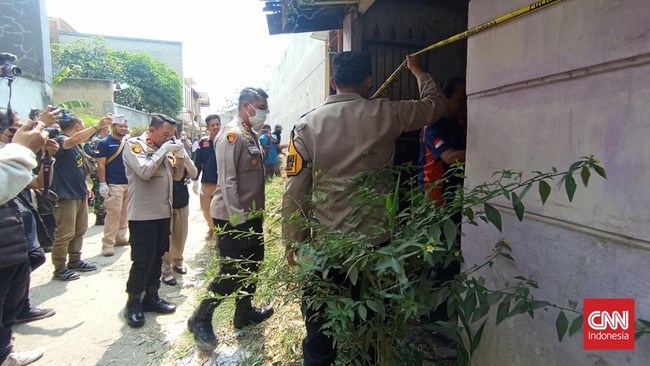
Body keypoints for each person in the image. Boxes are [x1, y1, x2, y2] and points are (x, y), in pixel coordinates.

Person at [281, 51, 447, 365]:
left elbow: (295, 192)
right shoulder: (387, 113)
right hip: (374, 245)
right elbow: (435, 105)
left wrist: (294, 242)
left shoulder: (306, 126)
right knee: (370, 323)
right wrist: (417, 71)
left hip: (325, 246)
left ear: (333, 82)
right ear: (368, 81)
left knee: (319, 327)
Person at [188, 88, 274, 349]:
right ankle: (200, 318)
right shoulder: (231, 135)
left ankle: (244, 311)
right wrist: (240, 221)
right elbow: (227, 182)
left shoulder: (251, 134)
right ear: (246, 105)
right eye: (260, 106)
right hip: (232, 217)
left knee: (253, 263)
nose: (263, 112)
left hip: (251, 214)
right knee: (232, 271)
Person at [122, 114, 186, 328]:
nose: (169, 138)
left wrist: (181, 155)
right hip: (142, 216)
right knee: (142, 261)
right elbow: (145, 171)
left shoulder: (163, 150)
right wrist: (163, 151)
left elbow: (176, 177)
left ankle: (152, 297)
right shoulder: (135, 145)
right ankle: (134, 302)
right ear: (151, 130)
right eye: (165, 134)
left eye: (172, 136)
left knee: (158, 257)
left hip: (162, 214)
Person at [0, 117, 48, 366]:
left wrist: (45, 159)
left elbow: (36, 183)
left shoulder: (8, 158)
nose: (17, 134)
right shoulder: (10, 156)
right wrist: (21, 150)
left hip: (13, 239)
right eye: (13, 130)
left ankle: (5, 353)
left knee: (10, 304)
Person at [51, 115, 110, 281]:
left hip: (79, 192)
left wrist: (86, 187)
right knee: (65, 232)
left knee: (80, 229)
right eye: (82, 126)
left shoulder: (76, 146)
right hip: (65, 194)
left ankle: (75, 260)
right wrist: (97, 126)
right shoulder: (61, 140)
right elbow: (69, 142)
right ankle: (60, 267)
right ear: (77, 126)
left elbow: (78, 167)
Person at [418, 77, 467, 204]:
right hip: (432, 199)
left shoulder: (456, 124)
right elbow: (450, 158)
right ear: (445, 99)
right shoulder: (432, 126)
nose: (464, 105)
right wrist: (489, 150)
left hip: (451, 196)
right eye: (460, 100)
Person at [161, 135, 198, 286]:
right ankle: (165, 269)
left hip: (182, 200)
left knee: (181, 235)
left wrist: (183, 156)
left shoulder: (182, 154)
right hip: (164, 203)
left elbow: (194, 173)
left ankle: (178, 261)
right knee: (165, 238)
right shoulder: (159, 154)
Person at [95, 119, 130, 256]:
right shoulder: (104, 143)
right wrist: (103, 183)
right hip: (113, 183)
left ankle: (120, 238)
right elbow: (101, 164)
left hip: (128, 182)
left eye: (125, 126)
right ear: (113, 126)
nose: (123, 128)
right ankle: (108, 244)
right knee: (113, 215)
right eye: (121, 126)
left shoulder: (127, 142)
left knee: (124, 214)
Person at [191, 114, 221, 239]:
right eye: (212, 125)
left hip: (222, 182)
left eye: (217, 124)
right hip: (207, 182)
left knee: (220, 210)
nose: (215, 127)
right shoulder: (203, 142)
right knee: (205, 208)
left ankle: (220, 233)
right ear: (207, 127)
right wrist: (195, 180)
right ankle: (211, 227)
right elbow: (198, 161)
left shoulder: (227, 141)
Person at [84, 126, 109, 226]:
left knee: (100, 191)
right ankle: (100, 214)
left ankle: (103, 212)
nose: (108, 131)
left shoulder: (103, 140)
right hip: (97, 170)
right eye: (106, 129)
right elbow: (98, 156)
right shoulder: (96, 141)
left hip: (102, 169)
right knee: (99, 192)